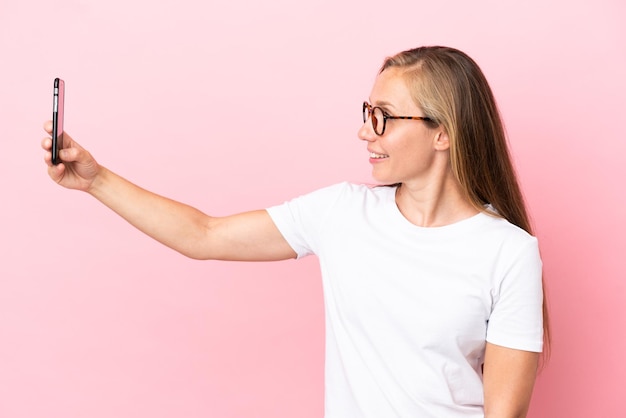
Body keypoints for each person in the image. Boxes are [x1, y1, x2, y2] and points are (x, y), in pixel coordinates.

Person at [42, 46, 548, 418]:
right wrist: (97, 180)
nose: (364, 132)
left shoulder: (508, 253)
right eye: (367, 113)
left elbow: (503, 415)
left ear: (444, 131)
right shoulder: (342, 214)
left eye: (384, 118)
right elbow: (204, 235)